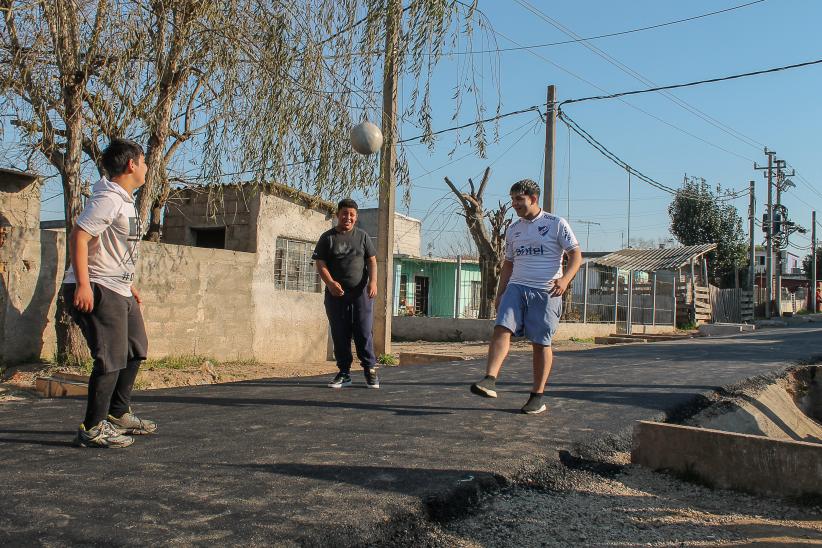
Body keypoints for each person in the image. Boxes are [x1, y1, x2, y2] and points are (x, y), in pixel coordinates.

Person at [64, 138, 156, 448]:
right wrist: (84, 283)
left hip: (118, 287)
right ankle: (92, 428)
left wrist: (128, 284)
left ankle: (117, 414)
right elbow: (79, 236)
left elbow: (109, 248)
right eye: (143, 162)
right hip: (98, 287)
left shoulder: (125, 200)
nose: (145, 168)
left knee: (135, 348)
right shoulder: (108, 198)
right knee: (110, 359)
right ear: (132, 164)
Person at [470, 179, 583, 414]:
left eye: (519, 199)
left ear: (533, 198)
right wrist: (500, 293)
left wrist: (564, 281)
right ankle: (490, 379)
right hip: (516, 287)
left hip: (546, 290)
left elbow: (576, 256)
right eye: (512, 200)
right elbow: (508, 264)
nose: (515, 204)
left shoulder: (556, 224)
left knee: (540, 343)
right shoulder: (513, 229)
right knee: (501, 328)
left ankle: (537, 396)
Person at [312, 198, 380, 389]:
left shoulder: (363, 237)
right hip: (336, 296)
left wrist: (373, 282)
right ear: (338, 215)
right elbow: (320, 263)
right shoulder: (328, 238)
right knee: (340, 333)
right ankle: (344, 373)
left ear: (356, 217)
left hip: (361, 296)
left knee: (364, 332)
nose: (347, 217)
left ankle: (370, 370)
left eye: (351, 214)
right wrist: (330, 283)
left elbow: (372, 261)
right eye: (344, 213)